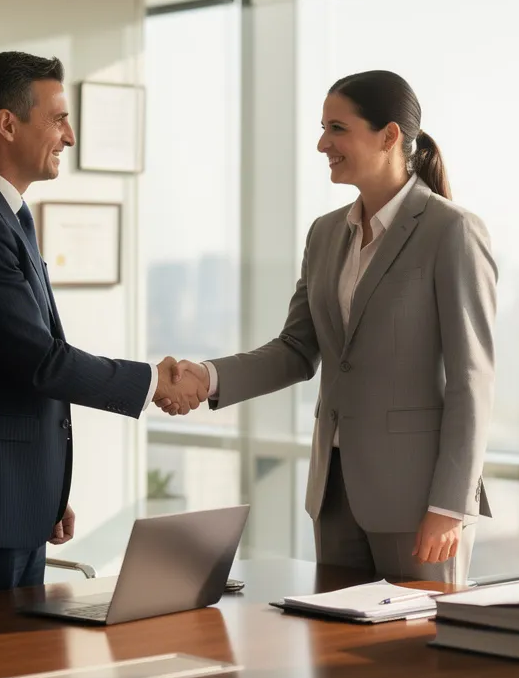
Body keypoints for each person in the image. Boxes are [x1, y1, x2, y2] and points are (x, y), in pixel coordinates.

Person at [162, 70, 497, 584]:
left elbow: (471, 380)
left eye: (337, 128)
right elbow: (296, 349)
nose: (323, 143)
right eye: (323, 128)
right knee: (333, 653)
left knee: (414, 658)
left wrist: (450, 506)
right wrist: (208, 377)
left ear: (388, 136)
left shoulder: (451, 231)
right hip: (334, 492)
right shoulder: (324, 234)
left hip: (419, 503)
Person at [0, 51, 207, 598]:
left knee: (16, 677)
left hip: (3, 502)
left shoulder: (3, 215)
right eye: (58, 118)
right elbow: (40, 362)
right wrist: (155, 381)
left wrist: (42, 491)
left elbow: (7, 368)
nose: (69, 136)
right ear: (7, 124)